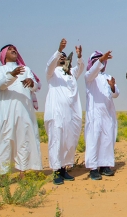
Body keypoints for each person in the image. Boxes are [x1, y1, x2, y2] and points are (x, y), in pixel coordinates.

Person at [0, 44, 42, 178]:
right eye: (9, 49)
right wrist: (12, 75)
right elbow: (0, 85)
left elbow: (36, 86)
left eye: (14, 49)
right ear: (3, 55)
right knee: (5, 142)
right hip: (6, 112)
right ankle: (3, 175)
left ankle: (23, 173)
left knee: (23, 141)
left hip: (24, 111)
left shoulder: (26, 69)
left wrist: (32, 83)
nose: (13, 50)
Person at [45, 39, 84, 185]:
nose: (62, 57)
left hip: (71, 114)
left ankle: (63, 168)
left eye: (64, 55)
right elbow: (49, 65)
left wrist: (79, 56)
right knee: (56, 140)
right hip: (56, 113)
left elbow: (80, 68)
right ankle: (55, 171)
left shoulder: (71, 73)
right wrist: (59, 49)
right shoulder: (52, 73)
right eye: (59, 56)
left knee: (69, 141)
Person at [84, 50, 119, 180]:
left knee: (107, 139)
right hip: (95, 113)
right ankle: (93, 168)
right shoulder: (89, 76)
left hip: (108, 113)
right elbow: (93, 71)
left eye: (104, 61)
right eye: (99, 61)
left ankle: (104, 165)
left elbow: (116, 94)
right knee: (94, 139)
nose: (102, 63)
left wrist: (113, 87)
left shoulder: (108, 76)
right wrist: (100, 59)